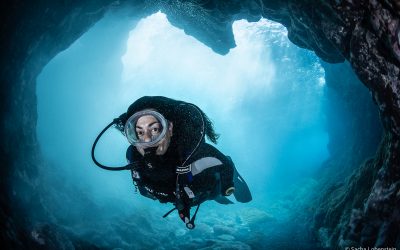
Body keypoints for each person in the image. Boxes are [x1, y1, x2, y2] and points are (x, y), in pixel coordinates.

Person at [93, 96, 252, 229]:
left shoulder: (194, 153)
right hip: (183, 196)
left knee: (216, 191)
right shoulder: (133, 156)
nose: (148, 140)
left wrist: (228, 184)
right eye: (139, 133)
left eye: (155, 129)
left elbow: (222, 163)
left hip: (207, 188)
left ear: (169, 128)